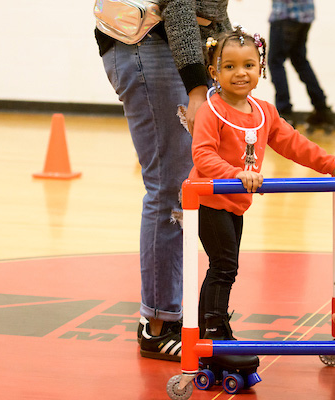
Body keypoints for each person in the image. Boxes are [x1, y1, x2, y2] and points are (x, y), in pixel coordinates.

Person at [190, 26, 335, 350]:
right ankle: (212, 333)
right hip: (208, 200)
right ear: (214, 71)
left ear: (261, 68)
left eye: (248, 65)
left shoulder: (264, 111)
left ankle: (213, 327)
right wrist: (235, 174)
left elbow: (293, 143)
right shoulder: (211, 111)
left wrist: (331, 164)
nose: (240, 73)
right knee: (224, 265)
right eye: (229, 67)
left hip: (236, 203)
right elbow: (202, 155)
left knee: (226, 267)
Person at [94, 0, 231, 361]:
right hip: (151, 45)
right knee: (169, 189)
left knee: (181, 187)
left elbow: (212, 10)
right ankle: (157, 325)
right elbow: (180, 5)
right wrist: (198, 87)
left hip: (163, 47)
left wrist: (224, 54)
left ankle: (174, 315)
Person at [267, 0, 335, 131]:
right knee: (300, 62)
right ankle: (322, 109)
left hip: (285, 14)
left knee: (276, 62)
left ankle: (285, 113)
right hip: (305, 14)